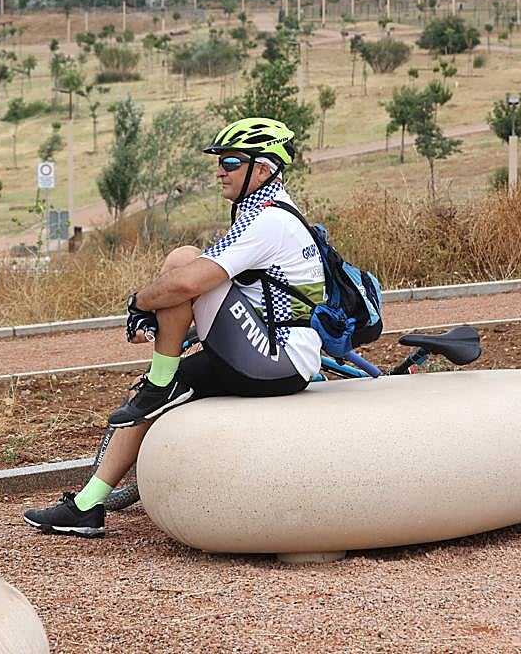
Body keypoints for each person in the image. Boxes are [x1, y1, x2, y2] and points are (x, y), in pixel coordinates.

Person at [23, 117, 325, 537]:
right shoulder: (260, 213)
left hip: (279, 359)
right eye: (220, 161)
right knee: (144, 400)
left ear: (263, 168)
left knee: (183, 262)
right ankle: (87, 506)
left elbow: (188, 283)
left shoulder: (269, 222)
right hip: (262, 353)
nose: (219, 169)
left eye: (232, 161)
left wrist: (138, 302)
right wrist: (161, 310)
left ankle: (160, 378)